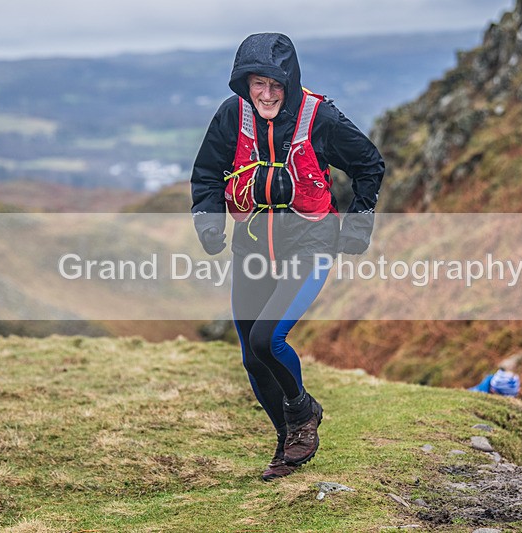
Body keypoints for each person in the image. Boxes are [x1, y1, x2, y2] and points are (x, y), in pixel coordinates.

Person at [190, 33, 384, 481]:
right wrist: (208, 222)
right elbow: (206, 175)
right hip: (252, 248)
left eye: (277, 84)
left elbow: (369, 164)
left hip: (309, 245)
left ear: (291, 81)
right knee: (251, 357)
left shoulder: (321, 117)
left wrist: (359, 223)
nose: (268, 93)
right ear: (244, 83)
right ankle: (287, 440)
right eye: (258, 83)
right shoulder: (230, 115)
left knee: (267, 340)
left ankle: (303, 411)